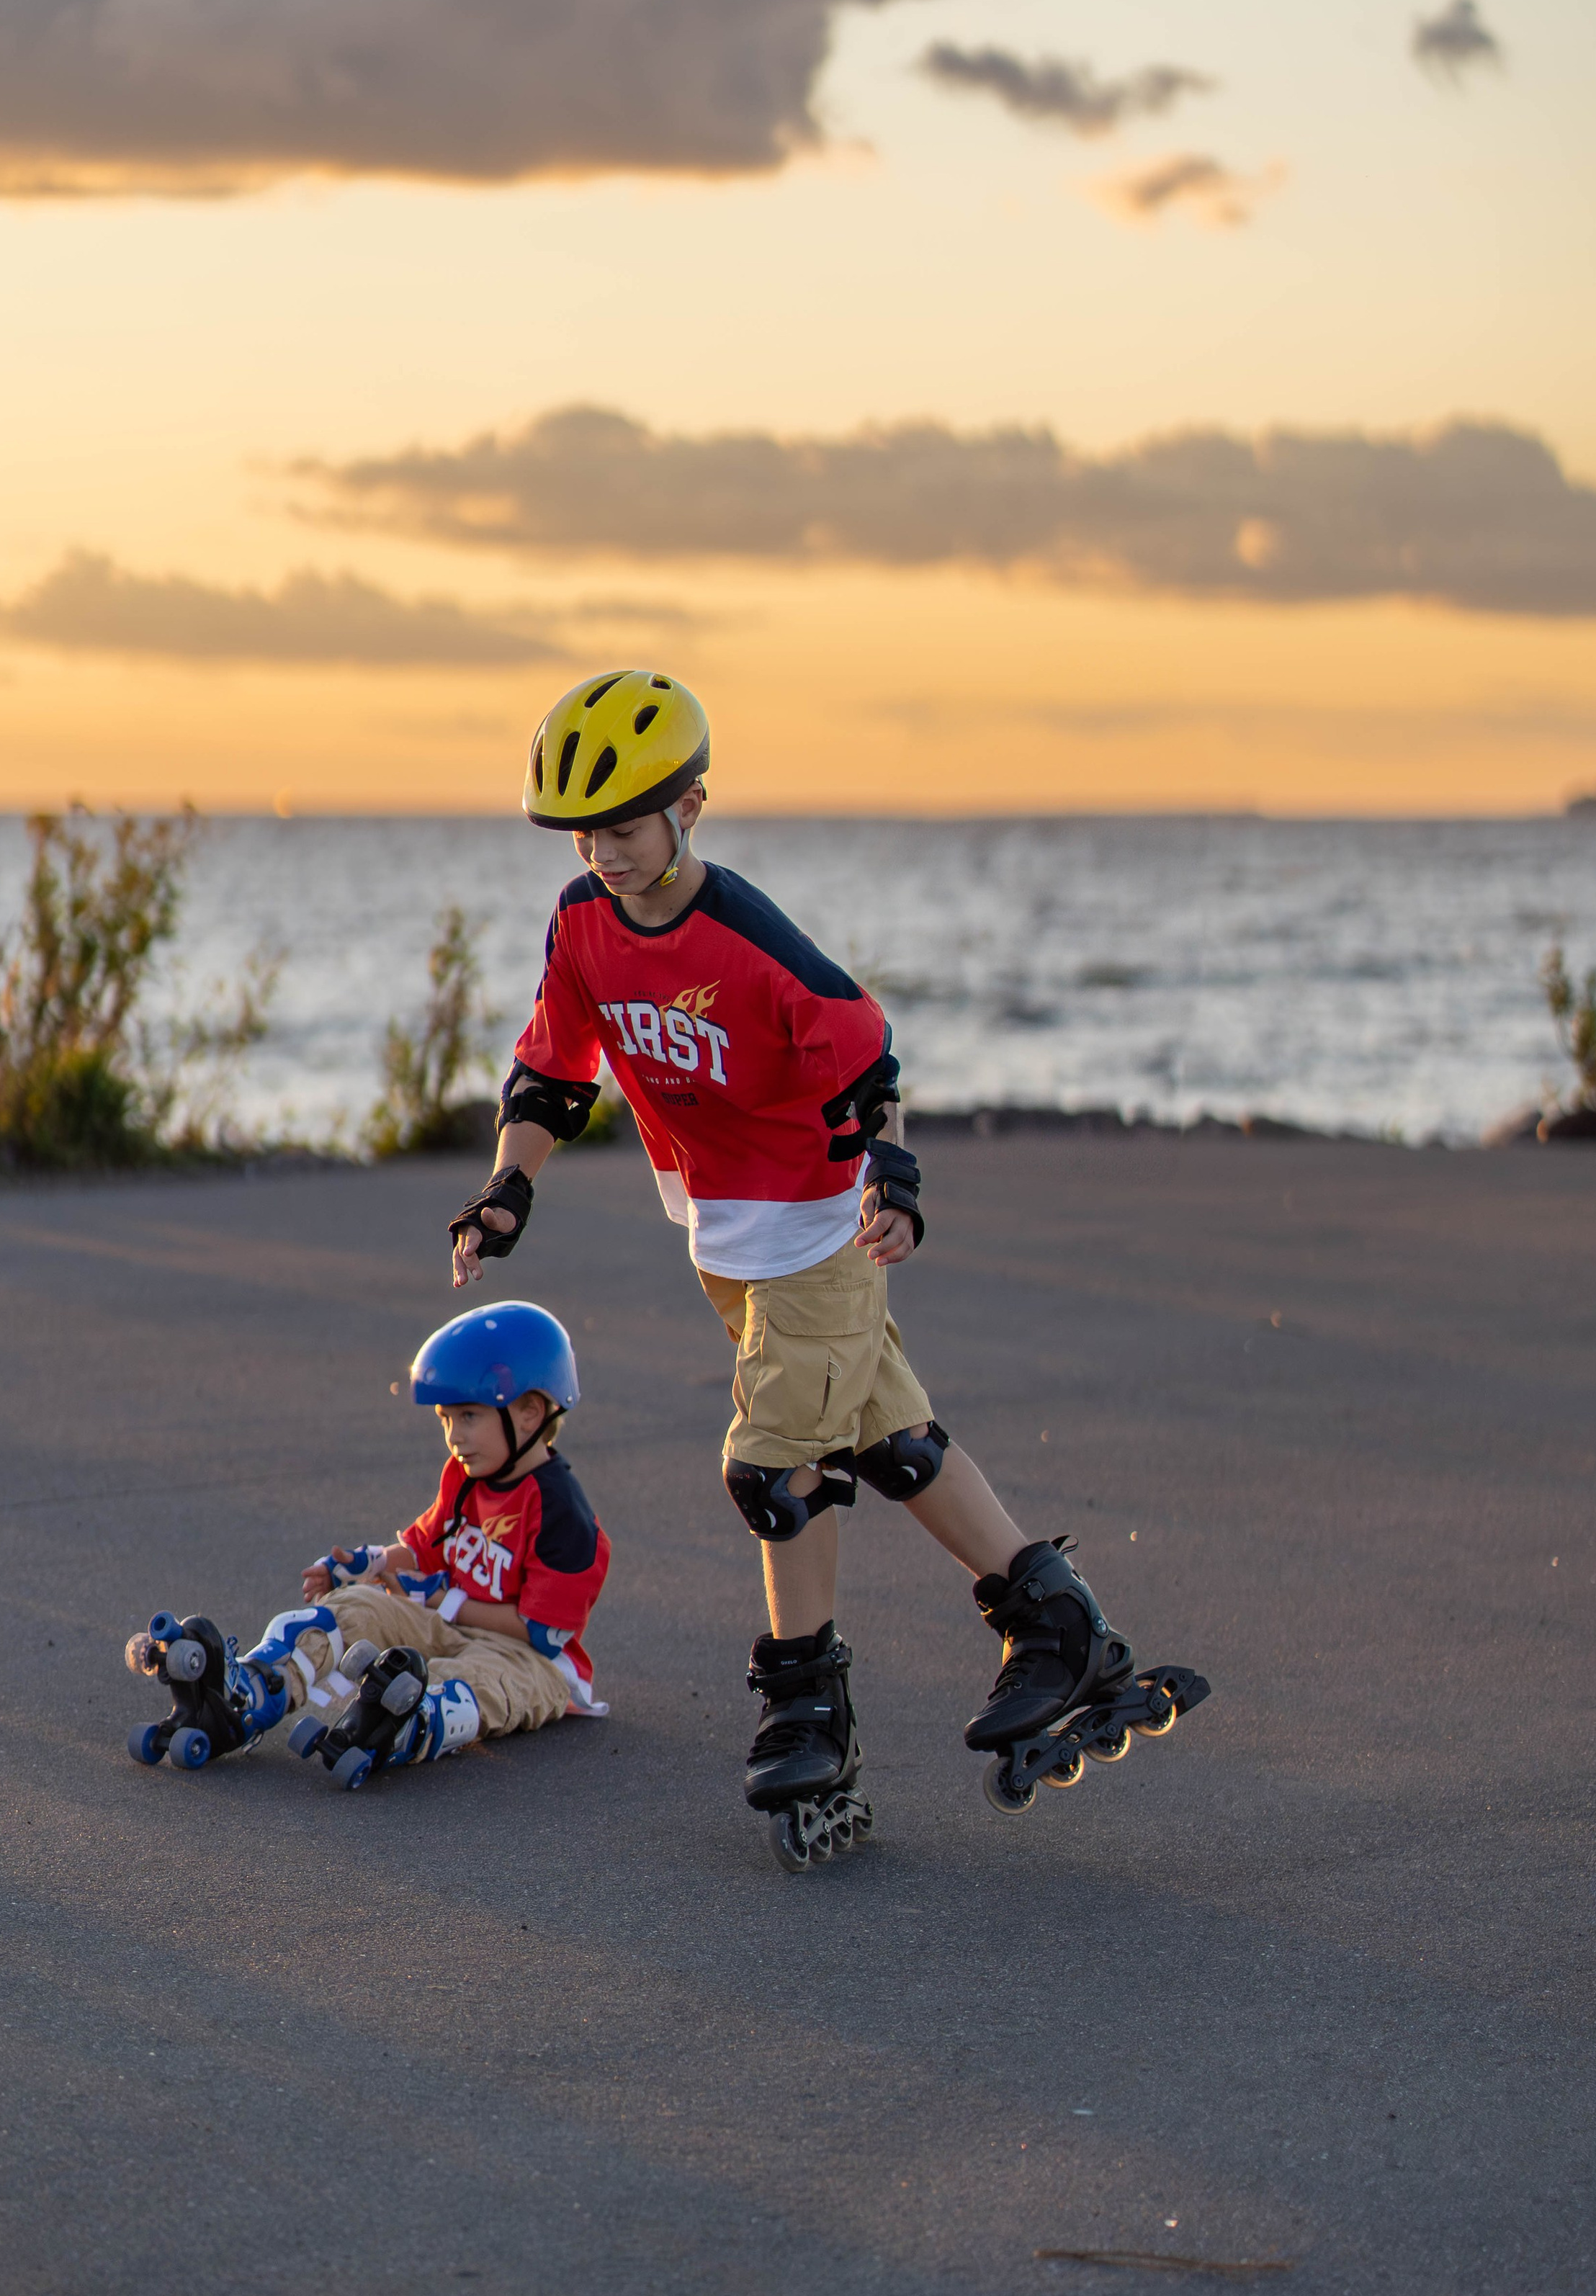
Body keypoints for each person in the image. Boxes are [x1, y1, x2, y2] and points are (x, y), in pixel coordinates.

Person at [445, 669, 1151, 1867]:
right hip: (725, 1236)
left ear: (693, 806)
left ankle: (805, 1707)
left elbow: (868, 1061)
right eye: (585, 830)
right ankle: (1055, 1619)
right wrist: (511, 1185)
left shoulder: (750, 941)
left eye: (626, 824)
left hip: (819, 1230)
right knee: (891, 1442)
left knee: (778, 1462)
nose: (605, 851)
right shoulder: (581, 925)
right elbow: (553, 1071)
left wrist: (898, 1178)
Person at [123, 1301, 609, 1790]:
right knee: (356, 1606)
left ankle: (399, 1720)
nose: (454, 1437)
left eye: (468, 1416)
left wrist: (447, 1600)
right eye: (445, 1419)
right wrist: (368, 1563)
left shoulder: (562, 1513)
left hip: (531, 1661)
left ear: (529, 1412)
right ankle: (252, 1690)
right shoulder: (465, 1475)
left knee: (467, 1681)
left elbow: (543, 1633)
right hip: (449, 1619)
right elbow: (424, 1547)